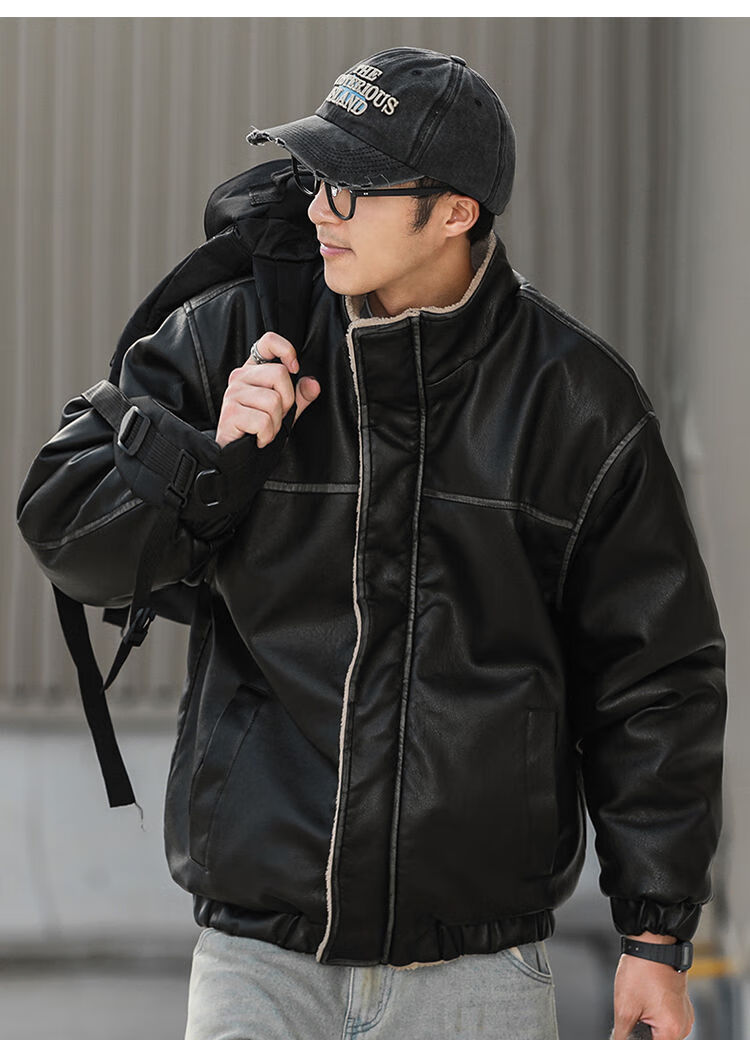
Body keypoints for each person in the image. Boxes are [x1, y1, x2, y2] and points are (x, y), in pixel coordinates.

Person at [16, 46, 726, 1041]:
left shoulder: (576, 402)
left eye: (353, 188)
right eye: (316, 179)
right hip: (260, 964)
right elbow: (62, 525)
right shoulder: (240, 333)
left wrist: (655, 935)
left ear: (456, 212)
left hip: (479, 971)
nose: (319, 210)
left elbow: (655, 677)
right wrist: (207, 462)